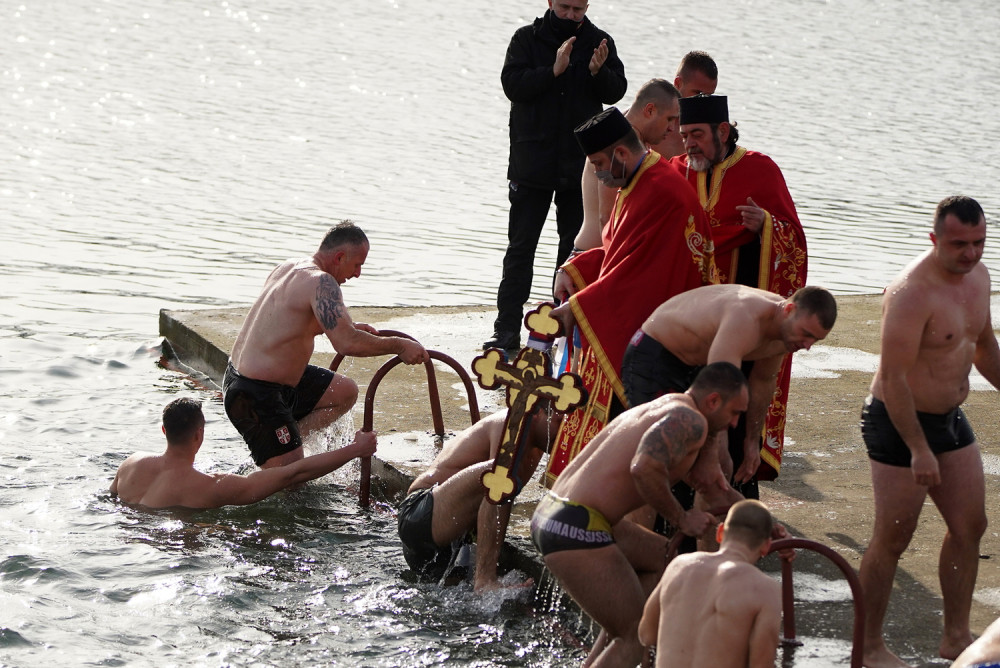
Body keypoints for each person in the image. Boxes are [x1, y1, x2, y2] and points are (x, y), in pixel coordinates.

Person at [858, 196, 999, 667]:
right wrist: (919, 449)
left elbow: (983, 347)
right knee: (893, 536)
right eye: (959, 244)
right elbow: (894, 378)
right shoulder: (911, 293)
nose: (971, 254)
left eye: (979, 243)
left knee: (970, 526)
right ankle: (870, 646)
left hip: (948, 419)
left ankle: (956, 638)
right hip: (897, 422)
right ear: (934, 239)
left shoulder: (979, 278)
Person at [531, 362, 749, 667]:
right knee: (635, 638)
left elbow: (718, 492)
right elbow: (644, 468)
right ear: (713, 401)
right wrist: (682, 518)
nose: (736, 424)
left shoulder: (669, 408)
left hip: (555, 513)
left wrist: (767, 528)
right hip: (575, 523)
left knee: (665, 562)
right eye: (736, 413)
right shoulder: (689, 421)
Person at [543, 106, 717, 486]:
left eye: (600, 163)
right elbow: (621, 254)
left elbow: (642, 276)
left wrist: (578, 306)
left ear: (621, 154)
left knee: (631, 437)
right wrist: (574, 270)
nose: (599, 174)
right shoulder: (635, 181)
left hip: (661, 332)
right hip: (641, 309)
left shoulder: (660, 191)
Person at [667, 94, 808, 490]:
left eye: (697, 134)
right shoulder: (675, 171)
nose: (688, 144)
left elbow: (795, 242)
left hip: (741, 322)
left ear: (723, 131)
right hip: (689, 318)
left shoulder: (759, 170)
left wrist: (767, 226)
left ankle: (737, 495)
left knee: (734, 402)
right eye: (683, 135)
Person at [223, 221, 429, 469]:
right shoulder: (322, 282)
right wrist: (399, 345)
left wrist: (342, 326)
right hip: (255, 393)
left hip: (249, 377)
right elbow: (346, 344)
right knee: (290, 482)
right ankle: (281, 455)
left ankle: (286, 441)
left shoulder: (289, 267)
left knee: (344, 392)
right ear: (340, 257)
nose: (357, 274)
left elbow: (287, 321)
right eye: (357, 265)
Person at [485, 0, 627, 351]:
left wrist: (598, 72)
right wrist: (553, 70)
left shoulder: (599, 42)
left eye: (578, 9)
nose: (571, 15)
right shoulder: (526, 39)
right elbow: (512, 85)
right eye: (564, 7)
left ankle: (559, 332)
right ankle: (505, 332)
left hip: (579, 168)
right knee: (521, 249)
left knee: (572, 251)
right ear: (550, 2)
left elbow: (616, 92)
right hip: (531, 164)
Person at [623, 284, 837, 485]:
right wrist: (715, 455)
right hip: (654, 353)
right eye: (807, 334)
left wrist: (752, 442)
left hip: (697, 366)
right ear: (789, 310)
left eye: (815, 340)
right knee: (662, 458)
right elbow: (718, 394)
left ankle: (695, 520)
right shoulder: (745, 318)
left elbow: (762, 382)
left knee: (716, 464)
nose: (807, 346)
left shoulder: (786, 333)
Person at [110, 397, 377, 509]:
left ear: (164, 430)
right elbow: (292, 474)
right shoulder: (211, 487)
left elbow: (111, 497)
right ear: (199, 435)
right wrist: (356, 449)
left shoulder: (130, 464)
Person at [398, 409, 560, 591]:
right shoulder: (512, 425)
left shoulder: (539, 443)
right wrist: (485, 576)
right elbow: (497, 490)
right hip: (420, 515)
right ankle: (485, 580)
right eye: (559, 423)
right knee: (502, 472)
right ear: (538, 412)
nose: (563, 433)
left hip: (450, 545)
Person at [638, 499, 782, 668]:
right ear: (766, 547)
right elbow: (761, 663)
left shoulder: (679, 566)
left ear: (720, 533)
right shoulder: (766, 589)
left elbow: (646, 634)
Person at [573, 79, 682, 252]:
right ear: (650, 110)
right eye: (670, 119)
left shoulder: (636, 141)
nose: (672, 128)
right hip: (594, 256)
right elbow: (607, 218)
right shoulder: (616, 144)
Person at [650, 50, 719, 160]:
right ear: (678, 84)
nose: (703, 103)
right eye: (698, 94)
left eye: (708, 96)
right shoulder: (648, 119)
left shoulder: (711, 130)